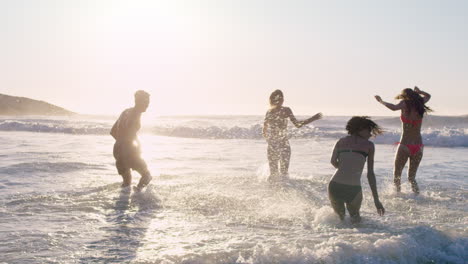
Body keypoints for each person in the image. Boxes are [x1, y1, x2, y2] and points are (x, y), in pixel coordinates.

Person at [375, 87, 432, 193]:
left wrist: (381, 101)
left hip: (405, 145)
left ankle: (398, 196)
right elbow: (428, 96)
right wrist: (420, 92)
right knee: (412, 178)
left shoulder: (405, 104)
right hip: (418, 146)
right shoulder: (420, 103)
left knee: (397, 175)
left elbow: (393, 107)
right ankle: (417, 197)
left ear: (404, 96)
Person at [329, 116, 385, 223]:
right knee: (356, 221)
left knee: (339, 220)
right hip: (353, 188)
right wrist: (376, 201)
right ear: (360, 129)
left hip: (335, 185)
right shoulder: (369, 145)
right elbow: (370, 174)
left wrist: (345, 170)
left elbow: (333, 161)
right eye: (369, 130)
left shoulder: (340, 141)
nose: (370, 134)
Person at [262, 90, 322, 182]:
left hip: (272, 144)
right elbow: (298, 124)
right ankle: (285, 191)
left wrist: (269, 141)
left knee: (273, 174)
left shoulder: (269, 112)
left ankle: (271, 193)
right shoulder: (286, 110)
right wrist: (313, 118)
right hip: (283, 143)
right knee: (284, 174)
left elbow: (264, 130)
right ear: (281, 99)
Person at [111, 90, 152, 191]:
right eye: (146, 102)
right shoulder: (135, 114)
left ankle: (121, 203)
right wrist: (135, 146)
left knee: (126, 183)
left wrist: (121, 143)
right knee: (147, 176)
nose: (147, 105)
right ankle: (138, 197)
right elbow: (130, 132)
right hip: (128, 150)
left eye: (148, 102)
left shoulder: (125, 112)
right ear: (139, 101)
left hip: (117, 149)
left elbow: (113, 131)